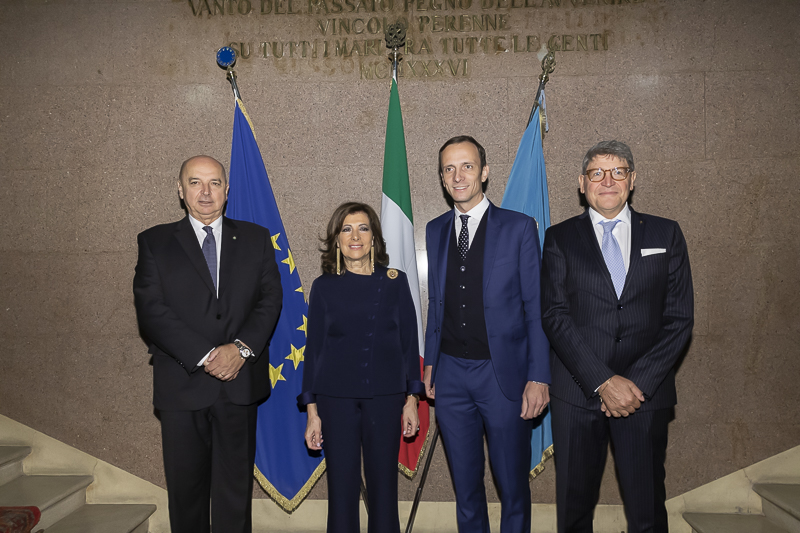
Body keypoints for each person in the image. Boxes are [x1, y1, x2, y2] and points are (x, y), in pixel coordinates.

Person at [541, 140, 694, 533]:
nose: (607, 181)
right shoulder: (559, 239)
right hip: (577, 394)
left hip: (646, 395)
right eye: (597, 173)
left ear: (632, 180)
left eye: (618, 172)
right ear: (581, 183)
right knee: (574, 511)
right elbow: (555, 317)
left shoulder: (666, 233)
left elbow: (679, 319)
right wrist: (604, 382)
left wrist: (634, 385)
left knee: (646, 510)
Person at [133, 155, 282, 533]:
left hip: (239, 383)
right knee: (186, 494)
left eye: (214, 182)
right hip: (181, 386)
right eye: (195, 182)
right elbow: (151, 310)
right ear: (179, 190)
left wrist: (241, 350)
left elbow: (270, 300)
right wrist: (206, 355)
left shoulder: (256, 238)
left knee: (235, 495)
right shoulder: (154, 241)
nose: (205, 191)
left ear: (227, 190)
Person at [422, 136, 551, 533]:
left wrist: (539, 375)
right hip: (450, 377)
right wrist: (431, 363)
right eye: (449, 168)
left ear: (485, 172)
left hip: (504, 376)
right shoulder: (435, 229)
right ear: (442, 179)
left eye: (467, 166)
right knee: (466, 486)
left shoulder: (518, 228)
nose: (457, 176)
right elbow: (436, 308)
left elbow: (536, 308)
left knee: (512, 484)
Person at [300, 202, 424, 533]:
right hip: (334, 400)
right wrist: (312, 411)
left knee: (384, 487)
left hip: (385, 398)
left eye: (363, 228)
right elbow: (314, 351)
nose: (356, 236)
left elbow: (409, 344)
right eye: (347, 229)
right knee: (342, 489)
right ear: (336, 239)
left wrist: (412, 400)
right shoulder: (323, 287)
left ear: (375, 238)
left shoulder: (395, 281)